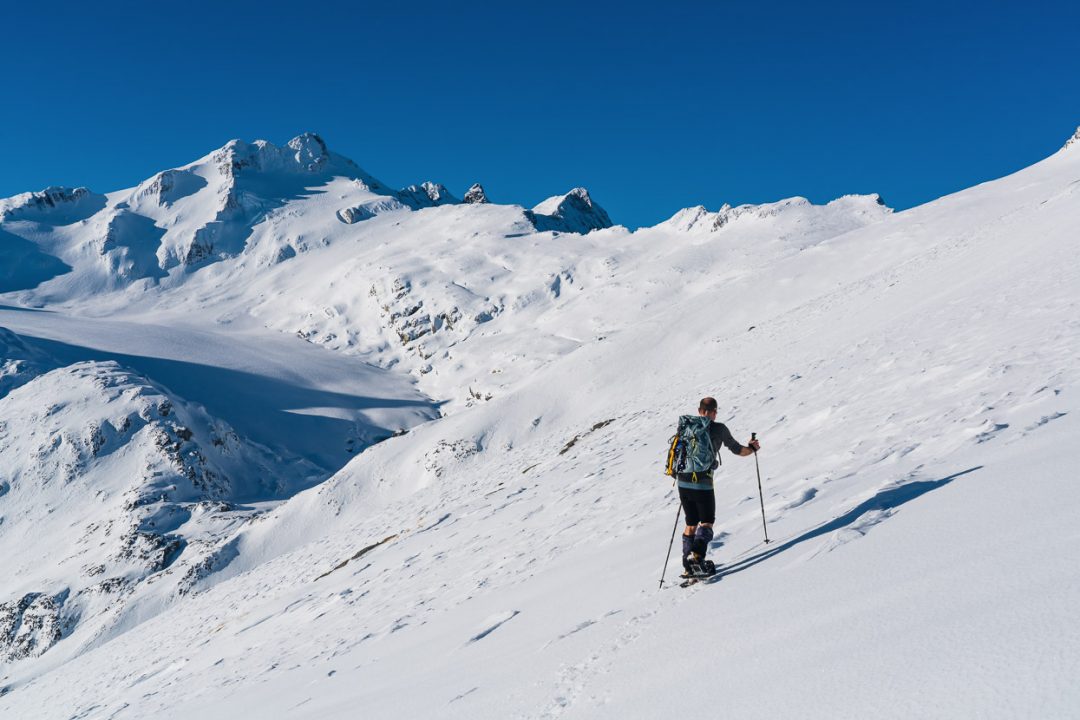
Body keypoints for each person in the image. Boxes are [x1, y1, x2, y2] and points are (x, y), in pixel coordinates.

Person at [677, 396, 760, 576]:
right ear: (713, 412)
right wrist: (752, 448)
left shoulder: (687, 426)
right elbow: (738, 450)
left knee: (690, 523)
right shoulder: (719, 429)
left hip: (682, 482)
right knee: (706, 522)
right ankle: (697, 558)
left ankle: (686, 566)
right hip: (703, 483)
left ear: (699, 411)